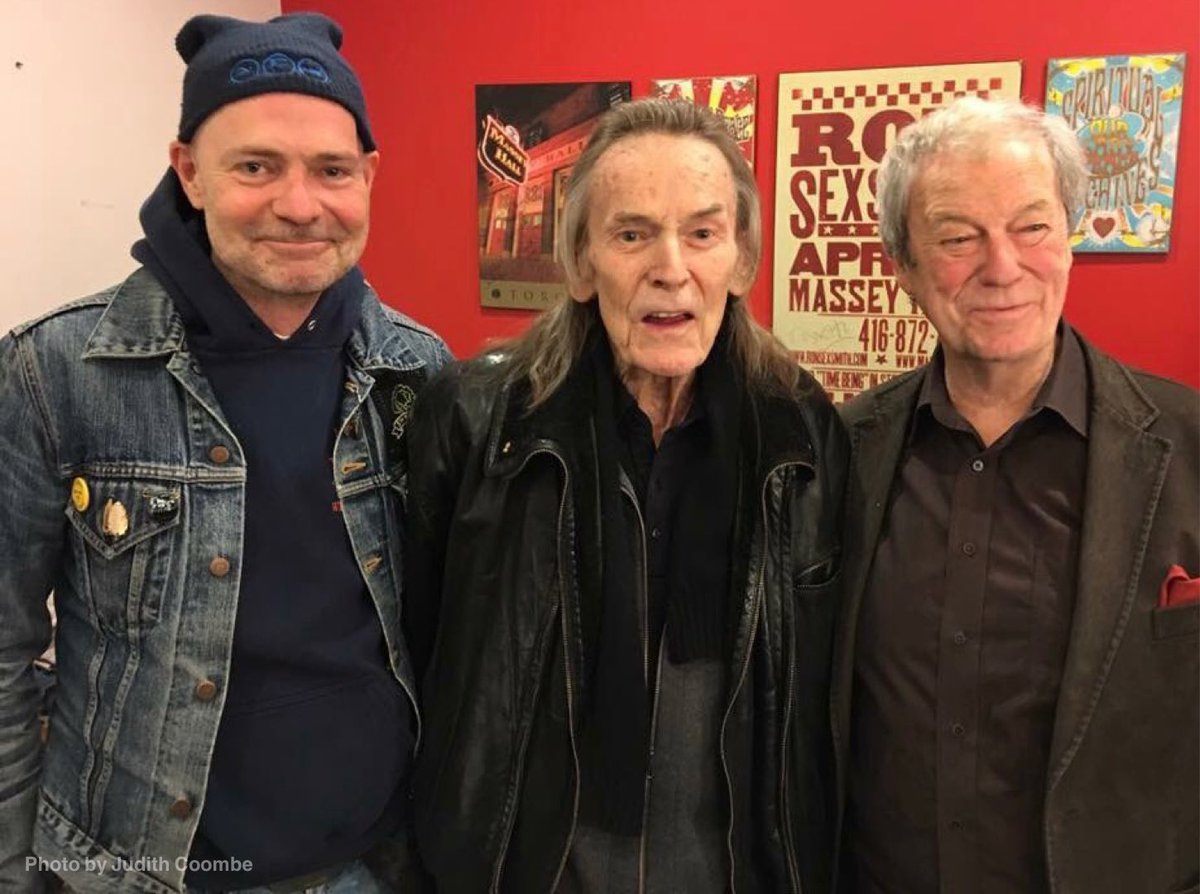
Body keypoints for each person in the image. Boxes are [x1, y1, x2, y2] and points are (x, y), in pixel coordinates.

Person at [0, 13, 450, 894]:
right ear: (188, 172)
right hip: (134, 872)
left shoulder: (421, 372)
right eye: (256, 166)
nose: (299, 204)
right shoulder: (54, 371)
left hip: (376, 866)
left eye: (331, 170)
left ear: (369, 178)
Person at [404, 98, 848, 893]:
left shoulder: (804, 433)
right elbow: (416, 657)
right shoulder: (473, 420)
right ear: (579, 263)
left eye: (703, 234)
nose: (670, 268)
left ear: (742, 262)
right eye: (632, 233)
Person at [832, 97, 1199, 894]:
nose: (1002, 267)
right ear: (906, 265)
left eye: (1031, 227)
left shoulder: (1190, 447)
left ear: (1070, 238)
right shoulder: (839, 453)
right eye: (959, 238)